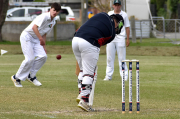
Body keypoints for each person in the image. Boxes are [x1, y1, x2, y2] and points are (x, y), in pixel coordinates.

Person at [72, 12, 124, 111]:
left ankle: (81, 94)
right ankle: (84, 100)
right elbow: (100, 43)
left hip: (75, 39)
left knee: (82, 70)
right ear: (119, 24)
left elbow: (82, 28)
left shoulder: (101, 14)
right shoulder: (112, 33)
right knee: (90, 73)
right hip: (89, 42)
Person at [11, 3, 61, 87]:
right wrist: (40, 39)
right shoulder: (44, 16)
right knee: (29, 59)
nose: (55, 12)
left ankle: (31, 76)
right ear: (50, 9)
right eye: (54, 10)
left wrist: (43, 46)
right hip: (27, 36)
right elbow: (34, 27)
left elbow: (44, 33)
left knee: (43, 56)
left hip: (37, 39)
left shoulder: (53, 21)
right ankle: (16, 77)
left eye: (57, 11)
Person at [104, 0, 130, 81]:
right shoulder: (109, 14)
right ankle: (108, 76)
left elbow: (127, 27)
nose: (117, 6)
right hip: (111, 38)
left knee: (122, 58)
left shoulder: (124, 15)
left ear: (120, 6)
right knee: (109, 58)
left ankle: (124, 76)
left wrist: (128, 39)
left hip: (121, 38)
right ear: (113, 6)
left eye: (118, 5)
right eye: (115, 5)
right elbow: (106, 26)